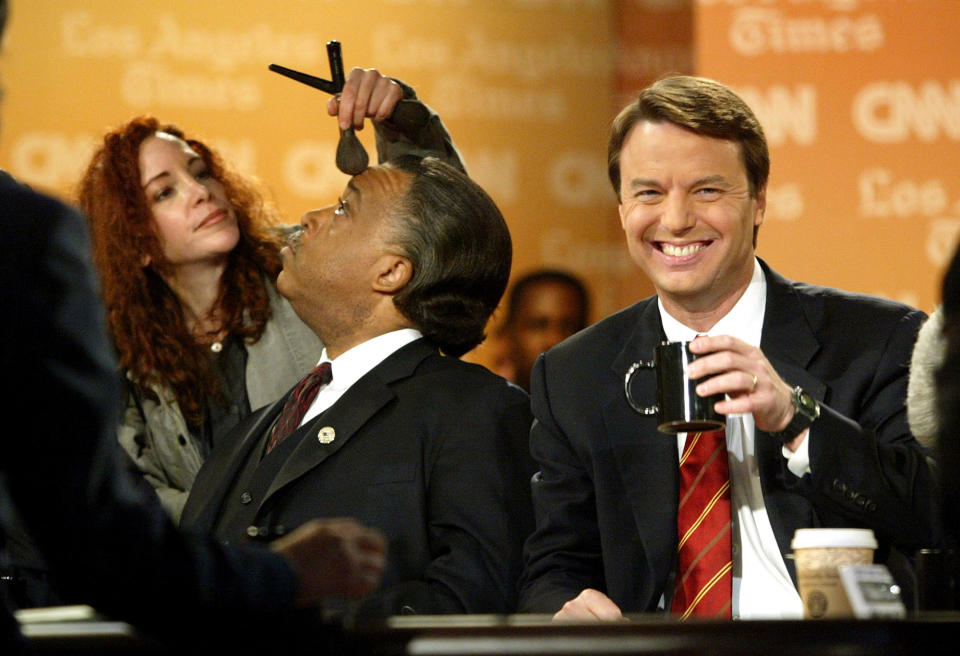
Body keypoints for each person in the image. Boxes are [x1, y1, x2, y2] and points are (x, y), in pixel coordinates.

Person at [518, 75, 941, 620]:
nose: (674, 219)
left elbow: (936, 513)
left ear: (759, 201)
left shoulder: (878, 339)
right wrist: (565, 608)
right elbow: (552, 565)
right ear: (622, 207)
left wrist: (795, 415)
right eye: (648, 192)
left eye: (707, 190)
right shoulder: (576, 373)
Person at [77, 72, 464, 523]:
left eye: (201, 172)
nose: (201, 192)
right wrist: (235, 534)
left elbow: (435, 229)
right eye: (165, 192)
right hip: (215, 579)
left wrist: (402, 123)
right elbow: (122, 488)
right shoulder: (121, 345)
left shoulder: (306, 264)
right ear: (135, 243)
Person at [181, 155, 536, 618]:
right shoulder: (250, 431)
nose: (309, 218)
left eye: (344, 208)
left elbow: (473, 604)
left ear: (391, 272)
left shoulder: (477, 411)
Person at [498, 269, 590, 393]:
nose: (554, 340)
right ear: (507, 334)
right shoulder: (481, 406)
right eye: (538, 326)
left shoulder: (604, 408)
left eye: (569, 327)